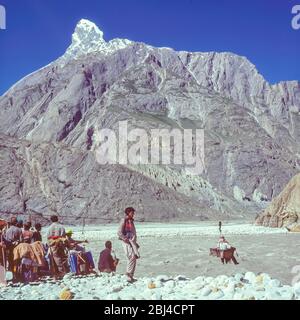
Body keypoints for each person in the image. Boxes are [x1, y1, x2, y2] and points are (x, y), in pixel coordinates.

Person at [118, 207, 140, 283]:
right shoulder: (124, 220)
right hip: (127, 242)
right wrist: (125, 239)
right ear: (128, 213)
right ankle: (128, 274)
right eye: (132, 213)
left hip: (132, 242)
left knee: (133, 257)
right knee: (131, 257)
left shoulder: (131, 221)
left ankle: (130, 275)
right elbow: (119, 232)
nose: (133, 214)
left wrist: (135, 243)